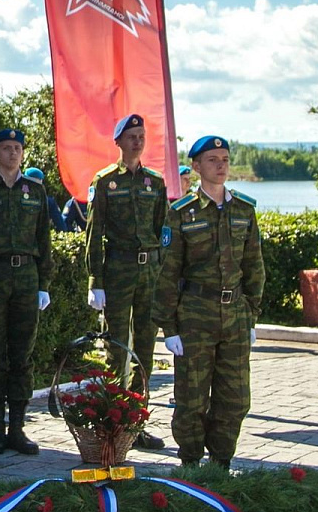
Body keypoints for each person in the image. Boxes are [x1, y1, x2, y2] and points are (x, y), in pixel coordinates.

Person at [156, 136, 265, 469]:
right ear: (197, 166)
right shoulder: (181, 213)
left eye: (226, 159)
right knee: (192, 398)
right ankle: (190, 462)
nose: (221, 165)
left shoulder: (244, 210)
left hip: (234, 316)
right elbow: (168, 272)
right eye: (213, 159)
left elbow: (254, 266)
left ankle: (221, 463)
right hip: (195, 316)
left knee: (235, 399)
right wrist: (169, 326)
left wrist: (250, 316)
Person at [84, 114, 171, 452]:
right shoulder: (105, 182)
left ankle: (136, 423)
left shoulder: (155, 182)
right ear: (118, 142)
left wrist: (164, 273)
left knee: (145, 351)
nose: (137, 141)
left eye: (141, 136)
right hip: (118, 270)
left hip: (149, 272)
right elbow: (94, 235)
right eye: (131, 136)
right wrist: (96, 280)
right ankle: (111, 424)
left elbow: (163, 231)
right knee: (116, 349)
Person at [0, 129, 52, 457]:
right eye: (6, 148)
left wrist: (44, 283)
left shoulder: (35, 191)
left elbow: (44, 239)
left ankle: (17, 428)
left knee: (22, 353)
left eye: (18, 148)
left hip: (27, 276)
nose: (14, 153)